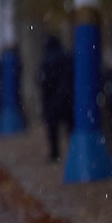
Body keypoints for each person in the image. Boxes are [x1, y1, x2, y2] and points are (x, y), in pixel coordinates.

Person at [38, 34, 74, 162]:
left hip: (52, 100)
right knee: (70, 128)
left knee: (53, 129)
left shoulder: (47, 60)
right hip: (68, 99)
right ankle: (73, 151)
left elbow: (43, 80)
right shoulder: (67, 57)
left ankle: (55, 153)